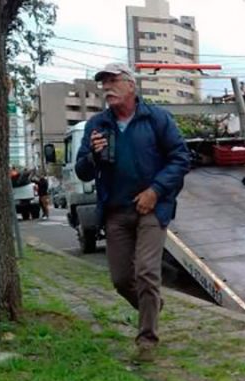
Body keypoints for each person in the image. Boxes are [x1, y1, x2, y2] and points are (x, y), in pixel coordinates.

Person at [75, 62, 190, 362]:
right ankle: (152, 307)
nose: (107, 88)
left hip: (152, 207)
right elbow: (82, 171)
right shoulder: (97, 125)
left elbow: (180, 158)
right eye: (104, 83)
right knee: (121, 279)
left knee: (146, 272)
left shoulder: (156, 118)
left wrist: (155, 191)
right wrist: (93, 155)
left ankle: (146, 340)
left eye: (113, 81)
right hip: (116, 210)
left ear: (130, 85)